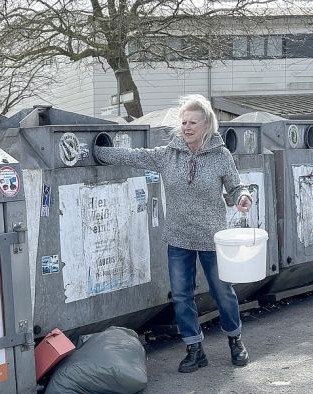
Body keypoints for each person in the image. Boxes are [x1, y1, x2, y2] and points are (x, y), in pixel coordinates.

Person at [93, 94, 253, 373]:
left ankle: (235, 341)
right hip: (178, 237)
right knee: (181, 295)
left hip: (212, 237)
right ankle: (194, 349)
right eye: (183, 122)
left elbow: (236, 188)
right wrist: (97, 151)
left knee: (222, 292)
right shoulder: (168, 155)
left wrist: (243, 197)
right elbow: (134, 156)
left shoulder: (221, 156)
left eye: (193, 122)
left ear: (206, 125)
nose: (187, 127)